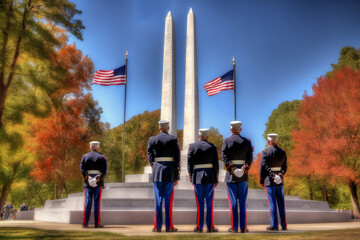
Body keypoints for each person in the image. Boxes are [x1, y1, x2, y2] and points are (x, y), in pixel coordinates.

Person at [147, 120, 180, 232]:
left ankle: (157, 226)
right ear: (168, 128)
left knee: (158, 200)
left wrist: (154, 165)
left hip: (157, 171)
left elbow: (149, 154)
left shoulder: (152, 139)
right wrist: (176, 175)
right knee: (168, 201)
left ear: (159, 128)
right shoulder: (173, 139)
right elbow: (177, 158)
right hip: (170, 172)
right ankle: (169, 226)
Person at [222, 121, 253, 233]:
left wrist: (233, 169)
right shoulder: (247, 142)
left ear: (231, 129)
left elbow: (224, 157)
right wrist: (243, 169)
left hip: (231, 175)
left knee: (233, 202)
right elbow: (250, 158)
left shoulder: (226, 141)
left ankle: (234, 227)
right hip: (243, 175)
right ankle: (243, 227)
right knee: (242, 202)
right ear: (240, 129)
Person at [188, 128, 219, 233]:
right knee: (209, 203)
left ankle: (199, 226)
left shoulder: (192, 146)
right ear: (207, 137)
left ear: (199, 136)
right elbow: (215, 164)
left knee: (199, 203)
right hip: (210, 176)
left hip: (197, 177)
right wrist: (216, 177)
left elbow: (189, 162)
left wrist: (190, 175)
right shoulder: (212, 147)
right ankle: (210, 227)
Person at [260, 133, 288, 231]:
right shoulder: (283, 152)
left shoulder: (266, 152)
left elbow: (264, 168)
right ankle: (284, 225)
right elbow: (285, 167)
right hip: (280, 181)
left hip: (269, 181)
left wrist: (262, 179)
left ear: (268, 141)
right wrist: (280, 175)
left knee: (272, 204)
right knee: (281, 203)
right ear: (277, 141)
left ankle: (274, 225)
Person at [80, 141, 107, 228]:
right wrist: (96, 179)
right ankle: (97, 223)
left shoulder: (85, 156)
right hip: (98, 182)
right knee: (96, 202)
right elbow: (104, 170)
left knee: (88, 202)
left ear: (90, 147)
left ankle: (85, 223)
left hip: (87, 181)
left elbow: (82, 168)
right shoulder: (102, 157)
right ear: (98, 147)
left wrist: (88, 177)